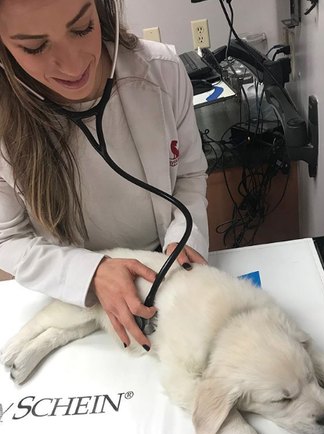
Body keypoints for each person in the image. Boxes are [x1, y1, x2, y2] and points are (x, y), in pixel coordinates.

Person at [0, 0, 209, 351]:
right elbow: (6, 239)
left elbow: (189, 173)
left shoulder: (162, 71)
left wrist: (184, 240)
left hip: (164, 270)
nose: (74, 64)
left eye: (83, 28)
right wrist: (92, 273)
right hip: (74, 293)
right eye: (35, 46)